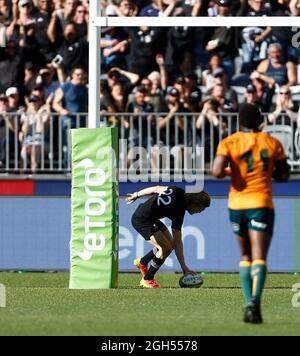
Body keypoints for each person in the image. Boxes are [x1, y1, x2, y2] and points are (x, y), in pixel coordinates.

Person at [212, 103, 290, 324]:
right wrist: (267, 172)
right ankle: (255, 301)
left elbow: (217, 171)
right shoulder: (273, 142)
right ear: (261, 122)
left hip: (236, 204)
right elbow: (284, 175)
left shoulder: (230, 141)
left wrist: (233, 170)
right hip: (261, 203)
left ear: (239, 123)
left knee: (245, 256)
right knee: (260, 257)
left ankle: (248, 301)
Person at [126, 186, 211, 288]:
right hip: (142, 220)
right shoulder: (179, 211)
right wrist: (184, 267)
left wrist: (136, 194)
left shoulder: (177, 190)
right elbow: (178, 242)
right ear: (194, 203)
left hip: (150, 217)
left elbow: (156, 189)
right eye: (202, 208)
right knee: (165, 248)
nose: (201, 211)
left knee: (169, 246)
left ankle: (142, 262)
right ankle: (147, 279)